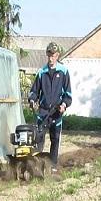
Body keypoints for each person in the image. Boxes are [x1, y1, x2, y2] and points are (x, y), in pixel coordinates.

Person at [28, 42, 72, 171]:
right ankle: (36, 166)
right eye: (49, 55)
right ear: (47, 55)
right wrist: (32, 100)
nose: (51, 58)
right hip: (43, 112)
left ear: (57, 55)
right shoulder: (42, 72)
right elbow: (34, 91)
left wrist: (64, 104)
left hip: (56, 112)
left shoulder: (63, 71)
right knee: (39, 139)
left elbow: (68, 94)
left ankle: (52, 166)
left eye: (53, 55)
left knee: (55, 139)